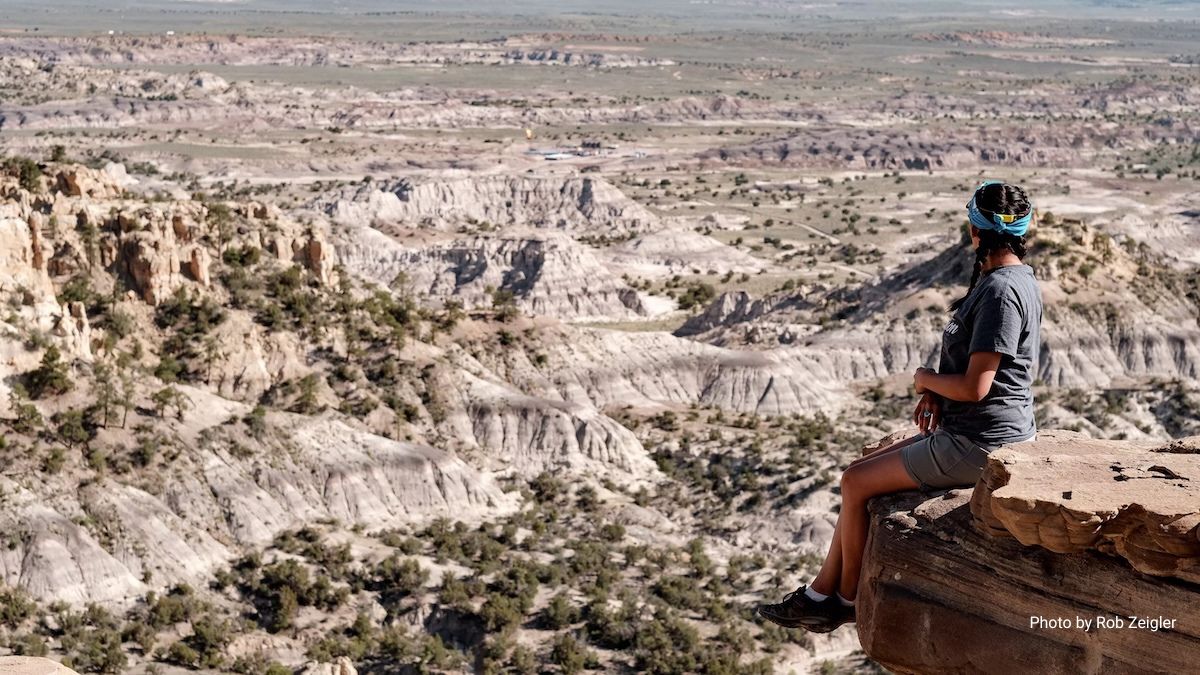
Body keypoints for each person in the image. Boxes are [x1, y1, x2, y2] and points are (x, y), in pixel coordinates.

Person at [757, 181, 1043, 632]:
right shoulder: (1010, 279)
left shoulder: (1000, 292)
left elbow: (976, 387)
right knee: (860, 471)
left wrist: (924, 380)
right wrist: (936, 393)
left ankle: (846, 601)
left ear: (975, 230)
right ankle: (818, 594)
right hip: (979, 431)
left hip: (980, 442)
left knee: (854, 482)